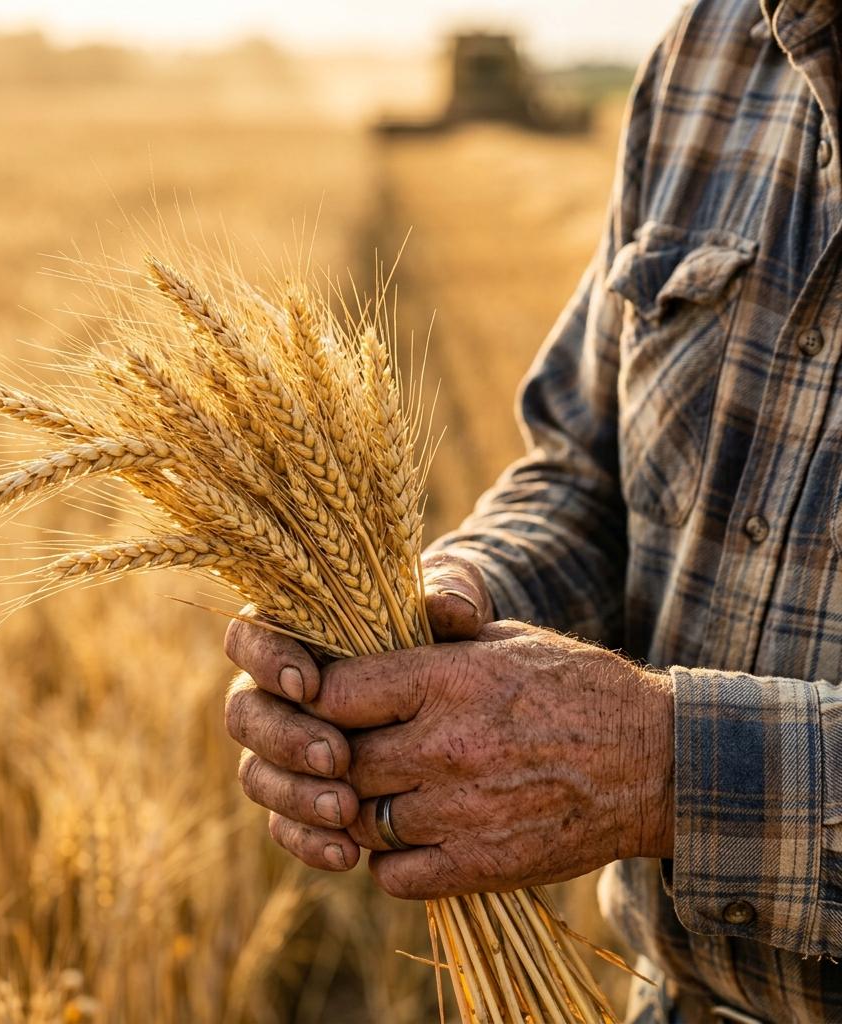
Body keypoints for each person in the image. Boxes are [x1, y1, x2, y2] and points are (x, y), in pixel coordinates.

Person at [223, 0, 842, 1018]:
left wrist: (666, 766)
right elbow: (588, 471)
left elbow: (659, 757)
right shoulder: (712, 49)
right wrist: (436, 613)